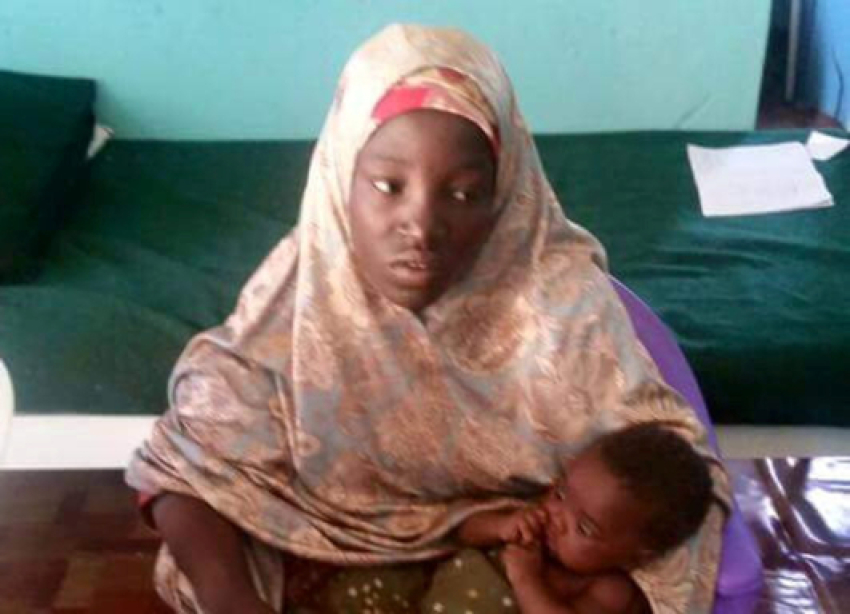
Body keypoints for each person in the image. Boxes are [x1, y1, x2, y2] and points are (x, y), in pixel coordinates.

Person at [126, 23, 730, 614]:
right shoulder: (295, 303)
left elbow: (674, 476)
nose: (421, 226)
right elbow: (187, 463)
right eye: (388, 185)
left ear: (504, 192)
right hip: (325, 561)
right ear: (341, 177)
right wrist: (230, 598)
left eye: (463, 193)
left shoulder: (564, 311)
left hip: (507, 569)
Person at [456, 422, 714, 614]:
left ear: (634, 558)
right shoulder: (533, 520)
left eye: (584, 528)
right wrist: (500, 526)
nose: (557, 518)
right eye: (560, 494)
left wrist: (527, 580)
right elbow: (462, 532)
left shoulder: (609, 589)